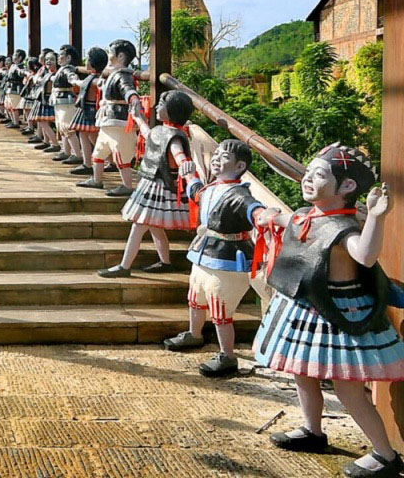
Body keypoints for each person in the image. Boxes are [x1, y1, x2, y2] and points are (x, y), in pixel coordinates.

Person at [253, 143, 403, 477]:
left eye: (319, 175)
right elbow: (286, 220)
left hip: (341, 313)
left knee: (347, 387)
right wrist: (264, 215)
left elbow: (365, 256)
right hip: (306, 307)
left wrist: (376, 217)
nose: (307, 179)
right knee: (302, 373)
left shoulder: (344, 228)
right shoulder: (307, 216)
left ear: (347, 186)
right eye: (308, 172)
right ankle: (313, 430)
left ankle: (385, 454)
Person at [161, 139, 269, 377]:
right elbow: (196, 191)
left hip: (227, 258)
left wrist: (264, 216)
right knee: (195, 298)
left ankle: (227, 355)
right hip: (203, 251)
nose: (217, 160)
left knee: (221, 310)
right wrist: (188, 171)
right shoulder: (211, 188)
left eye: (224, 157)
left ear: (240, 166)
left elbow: (253, 209)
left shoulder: (240, 194)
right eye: (216, 155)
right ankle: (194, 333)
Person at [99, 90, 195, 279]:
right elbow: (149, 134)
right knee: (154, 226)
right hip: (152, 182)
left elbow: (178, 154)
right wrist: (137, 117)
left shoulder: (175, 137)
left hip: (160, 185)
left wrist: (185, 165)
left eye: (162, 104)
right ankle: (165, 262)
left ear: (172, 110)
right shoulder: (162, 130)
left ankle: (125, 266)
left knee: (139, 224)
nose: (157, 106)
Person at [77, 39, 142, 197]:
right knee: (99, 153)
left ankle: (127, 185)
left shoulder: (122, 75)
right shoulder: (114, 74)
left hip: (118, 121)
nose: (108, 55)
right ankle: (96, 179)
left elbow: (127, 89)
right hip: (108, 121)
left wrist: (133, 99)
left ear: (120, 56)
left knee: (121, 156)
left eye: (110, 52)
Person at [68, 46, 107, 176]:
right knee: (93, 137)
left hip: (89, 109)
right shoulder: (94, 78)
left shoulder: (96, 79)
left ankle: (87, 163)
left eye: (88, 59)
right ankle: (109, 161)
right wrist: (75, 81)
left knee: (85, 135)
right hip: (89, 108)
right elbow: (83, 83)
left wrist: (75, 81)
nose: (86, 61)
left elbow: (85, 84)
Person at [51, 44, 84, 164]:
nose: (58, 58)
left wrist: (75, 81)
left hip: (65, 102)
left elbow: (71, 77)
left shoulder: (68, 69)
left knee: (67, 128)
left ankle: (77, 154)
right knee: (62, 127)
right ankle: (67, 151)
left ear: (69, 57)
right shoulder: (62, 69)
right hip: (60, 101)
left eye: (61, 55)